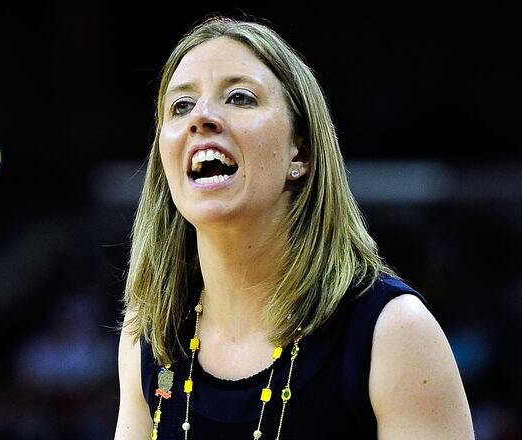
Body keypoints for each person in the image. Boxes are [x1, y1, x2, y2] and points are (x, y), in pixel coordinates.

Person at [115, 16, 474, 439]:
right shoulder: (149, 335)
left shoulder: (395, 333)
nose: (202, 117)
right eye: (181, 105)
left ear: (298, 152)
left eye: (240, 97)